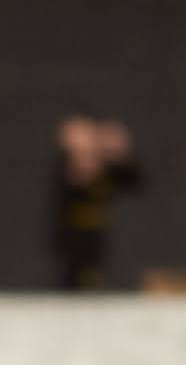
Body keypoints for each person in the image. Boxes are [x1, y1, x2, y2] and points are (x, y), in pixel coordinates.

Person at [48, 116, 142, 291]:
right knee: (72, 281)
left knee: (93, 281)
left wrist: (120, 155)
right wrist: (80, 161)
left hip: (97, 239)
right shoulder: (63, 166)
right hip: (70, 239)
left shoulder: (107, 168)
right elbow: (68, 188)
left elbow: (134, 181)